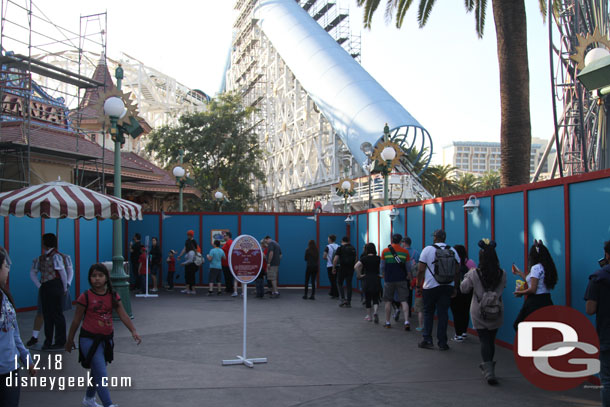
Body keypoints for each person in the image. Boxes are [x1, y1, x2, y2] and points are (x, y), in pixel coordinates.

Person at [65, 263, 141, 407]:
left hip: (106, 340)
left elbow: (123, 314)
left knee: (97, 371)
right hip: (88, 339)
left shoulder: (112, 296)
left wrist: (133, 331)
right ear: (89, 278)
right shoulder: (85, 297)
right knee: (101, 373)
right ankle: (108, 404)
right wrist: (70, 339)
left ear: (106, 278)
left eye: (100, 275)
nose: (97, 279)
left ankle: (88, 399)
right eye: (94, 276)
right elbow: (76, 321)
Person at [460, 239, 506, 385]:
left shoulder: (474, 273)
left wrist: (468, 275)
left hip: (479, 311)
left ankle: (488, 370)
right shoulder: (502, 273)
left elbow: (464, 288)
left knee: (484, 339)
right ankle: (489, 367)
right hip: (496, 309)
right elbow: (502, 288)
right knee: (491, 339)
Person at [0, 246, 36, 406]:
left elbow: (14, 333)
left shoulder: (5, 297)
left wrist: (26, 358)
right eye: (5, 266)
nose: (8, 270)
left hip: (10, 370)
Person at [416, 229, 460, 351]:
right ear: (444, 238)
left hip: (430, 287)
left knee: (428, 313)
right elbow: (457, 271)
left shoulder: (428, 249)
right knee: (443, 314)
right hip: (447, 286)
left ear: (435, 237)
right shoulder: (453, 251)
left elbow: (420, 270)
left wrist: (418, 286)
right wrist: (455, 287)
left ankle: (427, 340)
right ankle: (442, 342)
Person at [27, 245, 74, 348]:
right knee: (46, 314)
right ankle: (44, 339)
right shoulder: (41, 258)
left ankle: (56, 341)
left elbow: (67, 272)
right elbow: (66, 272)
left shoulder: (63, 257)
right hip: (50, 287)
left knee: (54, 314)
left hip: (56, 286)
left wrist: (66, 285)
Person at [585, 240, 610, 407]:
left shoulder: (598, 277)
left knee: (607, 380)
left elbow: (590, 309)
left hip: (607, 335)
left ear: (607, 255)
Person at [512, 239, 558, 331]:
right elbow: (532, 280)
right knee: (543, 330)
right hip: (547, 300)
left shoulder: (535, 268)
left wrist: (520, 292)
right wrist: (519, 273)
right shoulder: (547, 267)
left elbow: (533, 289)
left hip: (534, 302)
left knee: (519, 325)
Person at [381, 234, 411, 329]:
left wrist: (383, 274)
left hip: (389, 279)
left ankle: (388, 322)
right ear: (400, 241)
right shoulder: (405, 251)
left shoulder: (385, 251)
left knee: (388, 301)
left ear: (392, 240)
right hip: (401, 279)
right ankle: (406, 321)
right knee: (404, 300)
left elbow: (382, 266)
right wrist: (409, 275)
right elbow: (408, 266)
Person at [450, 244, 476, 342]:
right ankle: (464, 332)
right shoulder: (470, 262)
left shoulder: (453, 262)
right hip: (468, 291)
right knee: (465, 311)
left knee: (456, 312)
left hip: (456, 290)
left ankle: (458, 334)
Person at [355, 243, 382, 323]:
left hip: (367, 278)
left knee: (368, 298)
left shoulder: (364, 258)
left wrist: (359, 274)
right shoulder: (378, 258)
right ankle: (375, 312)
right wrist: (381, 274)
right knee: (376, 297)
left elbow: (356, 266)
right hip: (376, 278)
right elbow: (383, 266)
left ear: (366, 249)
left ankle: (369, 316)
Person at [333, 236, 357, 308]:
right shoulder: (353, 248)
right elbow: (356, 259)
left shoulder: (340, 248)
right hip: (350, 269)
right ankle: (349, 301)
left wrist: (334, 268)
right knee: (349, 284)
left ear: (342, 241)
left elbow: (335, 259)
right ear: (349, 241)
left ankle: (343, 299)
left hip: (342, 268)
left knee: (339, 283)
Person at [323, 235, 340, 299]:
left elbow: (324, 256)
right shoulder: (338, 246)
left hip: (330, 265)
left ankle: (336, 294)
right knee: (335, 279)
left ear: (330, 239)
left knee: (332, 280)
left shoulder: (328, 247)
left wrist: (328, 259)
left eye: (328, 238)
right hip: (338, 265)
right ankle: (332, 293)